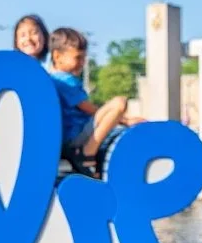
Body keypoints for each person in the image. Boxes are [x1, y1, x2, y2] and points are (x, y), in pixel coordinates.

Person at [48, 27, 142, 166]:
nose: (82, 62)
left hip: (69, 134)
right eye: (78, 57)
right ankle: (88, 152)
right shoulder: (66, 81)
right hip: (76, 133)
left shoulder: (53, 79)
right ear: (57, 56)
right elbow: (88, 108)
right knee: (119, 103)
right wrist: (124, 120)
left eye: (84, 58)